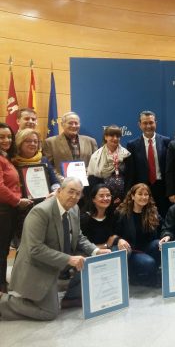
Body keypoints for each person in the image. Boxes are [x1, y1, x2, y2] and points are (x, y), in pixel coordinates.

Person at [0, 178, 110, 321]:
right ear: (59, 191)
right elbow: (35, 249)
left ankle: (70, 296)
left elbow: (78, 236)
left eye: (78, 193)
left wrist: (96, 251)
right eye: (71, 192)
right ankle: (3, 300)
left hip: (57, 260)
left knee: (90, 259)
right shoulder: (40, 212)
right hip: (38, 266)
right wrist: (69, 259)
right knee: (49, 312)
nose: (74, 196)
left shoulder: (74, 209)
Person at [0, 123, 33, 293]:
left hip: (9, 210)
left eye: (9, 137)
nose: (6, 140)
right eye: (1, 137)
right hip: (3, 210)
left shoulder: (6, 157)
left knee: (4, 249)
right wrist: (17, 201)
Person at [12, 129, 60, 244]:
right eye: (28, 141)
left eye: (35, 141)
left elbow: (54, 181)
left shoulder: (43, 159)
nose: (33, 144)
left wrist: (55, 191)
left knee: (44, 241)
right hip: (22, 208)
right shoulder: (13, 161)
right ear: (19, 143)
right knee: (26, 243)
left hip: (44, 205)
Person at [115, 183, 161, 287]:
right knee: (149, 263)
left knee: (159, 244)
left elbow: (163, 228)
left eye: (146, 194)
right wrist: (119, 240)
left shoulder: (152, 211)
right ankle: (136, 275)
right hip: (132, 251)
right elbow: (114, 233)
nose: (143, 197)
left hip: (148, 248)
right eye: (140, 194)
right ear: (132, 196)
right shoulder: (122, 213)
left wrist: (167, 236)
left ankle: (150, 274)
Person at [126, 110, 170, 218]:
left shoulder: (166, 141)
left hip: (162, 188)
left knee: (163, 216)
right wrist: (128, 193)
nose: (148, 126)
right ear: (139, 125)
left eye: (151, 122)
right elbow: (131, 172)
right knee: (144, 218)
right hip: (142, 189)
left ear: (156, 123)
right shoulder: (132, 145)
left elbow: (170, 168)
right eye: (145, 123)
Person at [42, 111, 98, 182]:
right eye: (70, 123)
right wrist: (61, 179)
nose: (74, 126)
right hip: (62, 184)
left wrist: (88, 175)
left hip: (87, 185)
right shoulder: (50, 142)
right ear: (62, 124)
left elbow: (95, 164)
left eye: (76, 123)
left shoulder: (91, 141)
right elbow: (49, 166)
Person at [87, 125, 131, 206]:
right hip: (104, 198)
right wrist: (106, 196)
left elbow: (130, 177)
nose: (115, 138)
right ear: (105, 137)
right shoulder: (96, 156)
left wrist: (123, 196)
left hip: (123, 198)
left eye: (117, 136)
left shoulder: (126, 154)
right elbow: (92, 179)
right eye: (111, 135)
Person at [80, 184, 118, 249]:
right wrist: (106, 245)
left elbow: (116, 236)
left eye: (108, 195)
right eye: (101, 196)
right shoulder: (84, 219)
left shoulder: (113, 216)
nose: (105, 198)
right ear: (93, 199)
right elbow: (82, 246)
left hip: (110, 252)